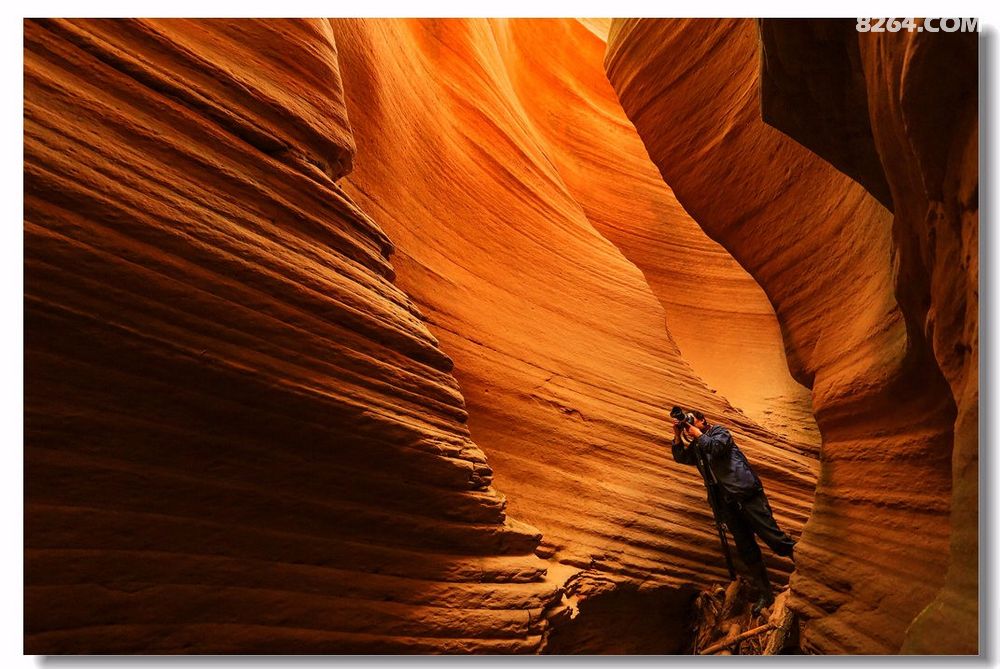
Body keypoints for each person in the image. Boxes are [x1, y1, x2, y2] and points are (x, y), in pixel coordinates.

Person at [670, 408, 795, 611]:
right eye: (686, 425)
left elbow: (717, 448)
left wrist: (698, 435)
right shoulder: (698, 446)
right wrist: (677, 435)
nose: (689, 428)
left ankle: (808, 573)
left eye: (692, 422)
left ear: (702, 420)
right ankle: (766, 595)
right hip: (726, 506)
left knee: (775, 538)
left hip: (746, 496)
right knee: (747, 550)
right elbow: (681, 458)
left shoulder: (720, 433)